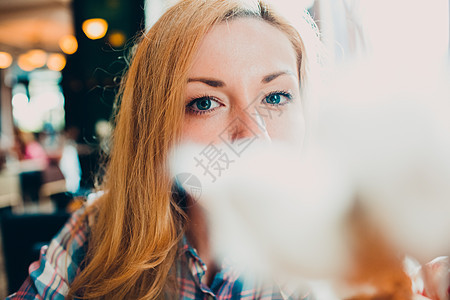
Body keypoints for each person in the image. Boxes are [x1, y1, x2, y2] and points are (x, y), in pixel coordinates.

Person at [7, 0, 320, 299]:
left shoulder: (344, 247)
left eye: (276, 97)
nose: (254, 138)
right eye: (205, 103)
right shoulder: (100, 231)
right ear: (157, 127)